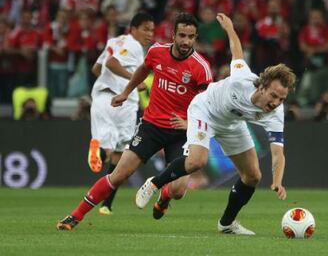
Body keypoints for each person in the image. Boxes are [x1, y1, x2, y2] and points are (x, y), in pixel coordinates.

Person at [135, 13, 296, 235]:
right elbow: (236, 51)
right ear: (262, 86)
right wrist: (230, 29)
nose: (276, 103)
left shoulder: (276, 112)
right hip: (205, 110)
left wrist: (278, 181)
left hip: (231, 124)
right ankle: (154, 184)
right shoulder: (242, 81)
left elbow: (278, 153)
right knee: (197, 161)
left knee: (253, 176)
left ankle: (227, 224)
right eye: (274, 95)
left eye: (282, 99)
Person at [57, 12, 213, 230]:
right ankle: (75, 216)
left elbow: (208, 104)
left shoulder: (201, 67)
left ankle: (164, 197)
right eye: (182, 35)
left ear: (195, 37)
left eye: (191, 37)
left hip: (180, 132)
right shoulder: (157, 52)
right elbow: (142, 70)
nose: (186, 41)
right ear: (173, 35)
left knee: (178, 191)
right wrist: (125, 92)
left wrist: (191, 124)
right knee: (119, 174)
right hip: (151, 126)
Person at [85, 12, 155, 216]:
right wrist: (135, 80)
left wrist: (110, 82)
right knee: (120, 153)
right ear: (133, 29)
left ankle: (107, 204)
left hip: (101, 97)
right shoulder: (133, 45)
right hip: (122, 103)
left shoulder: (114, 41)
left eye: (152, 30)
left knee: (114, 153)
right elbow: (112, 64)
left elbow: (97, 68)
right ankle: (99, 154)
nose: (150, 34)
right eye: (145, 29)